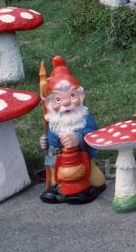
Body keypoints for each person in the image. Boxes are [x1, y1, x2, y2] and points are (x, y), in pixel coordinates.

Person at [39, 56, 106, 204]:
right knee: (54, 168)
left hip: (83, 156)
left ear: (80, 95)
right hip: (59, 159)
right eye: (58, 100)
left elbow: (93, 133)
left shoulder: (83, 117)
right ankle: (57, 189)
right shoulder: (54, 121)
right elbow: (52, 139)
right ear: (50, 103)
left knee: (94, 178)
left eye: (72, 95)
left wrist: (78, 138)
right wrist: (46, 141)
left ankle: (90, 187)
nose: (67, 102)